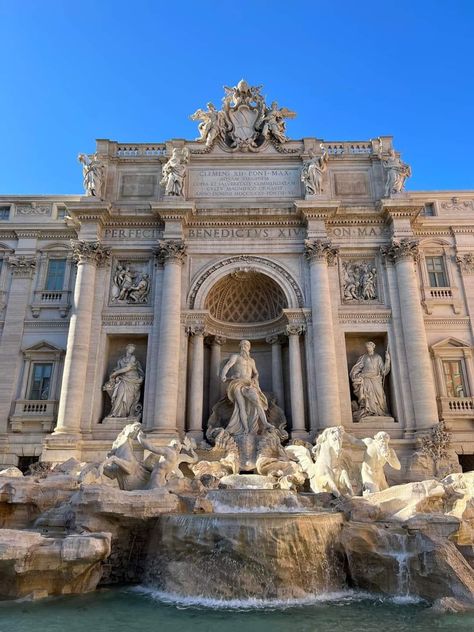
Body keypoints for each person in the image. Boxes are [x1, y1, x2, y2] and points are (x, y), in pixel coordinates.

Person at [220, 339, 272, 435]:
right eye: (243, 344)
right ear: (240, 346)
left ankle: (265, 423)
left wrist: (255, 379)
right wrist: (223, 375)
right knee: (241, 407)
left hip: (249, 384)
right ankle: (246, 429)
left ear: (249, 347)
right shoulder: (235, 357)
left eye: (247, 345)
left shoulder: (252, 361)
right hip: (238, 383)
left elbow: (256, 373)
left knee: (258, 402)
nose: (245, 346)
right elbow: (228, 365)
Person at [350, 342, 391, 420]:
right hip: (366, 379)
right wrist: (356, 375)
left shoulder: (378, 357)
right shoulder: (364, 357)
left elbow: (383, 370)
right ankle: (369, 412)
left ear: (373, 347)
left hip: (376, 379)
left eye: (370, 347)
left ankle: (380, 412)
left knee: (379, 395)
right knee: (368, 395)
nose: (368, 349)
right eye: (367, 347)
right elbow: (357, 368)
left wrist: (388, 360)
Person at [103, 344, 144, 418]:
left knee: (129, 398)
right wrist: (114, 374)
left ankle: (124, 414)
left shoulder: (133, 358)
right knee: (119, 395)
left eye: (133, 349)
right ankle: (115, 413)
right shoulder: (121, 359)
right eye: (131, 349)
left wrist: (115, 373)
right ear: (127, 348)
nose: (132, 350)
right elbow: (117, 368)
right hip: (123, 378)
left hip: (132, 379)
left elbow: (127, 368)